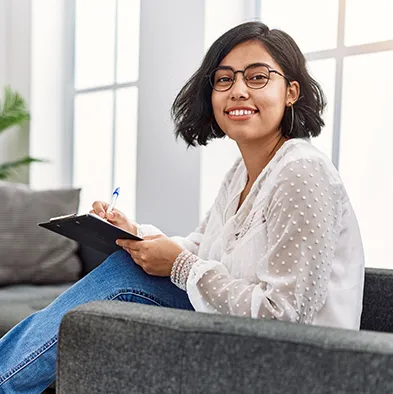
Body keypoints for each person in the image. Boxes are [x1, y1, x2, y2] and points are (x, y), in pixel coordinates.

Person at [0, 21, 365, 393]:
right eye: (224, 80)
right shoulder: (242, 172)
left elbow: (285, 318)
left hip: (294, 364)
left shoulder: (301, 172)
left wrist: (178, 265)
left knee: (125, 279)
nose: (238, 90)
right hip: (241, 339)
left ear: (291, 91)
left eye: (257, 77)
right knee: (126, 269)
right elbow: (201, 246)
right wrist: (135, 234)